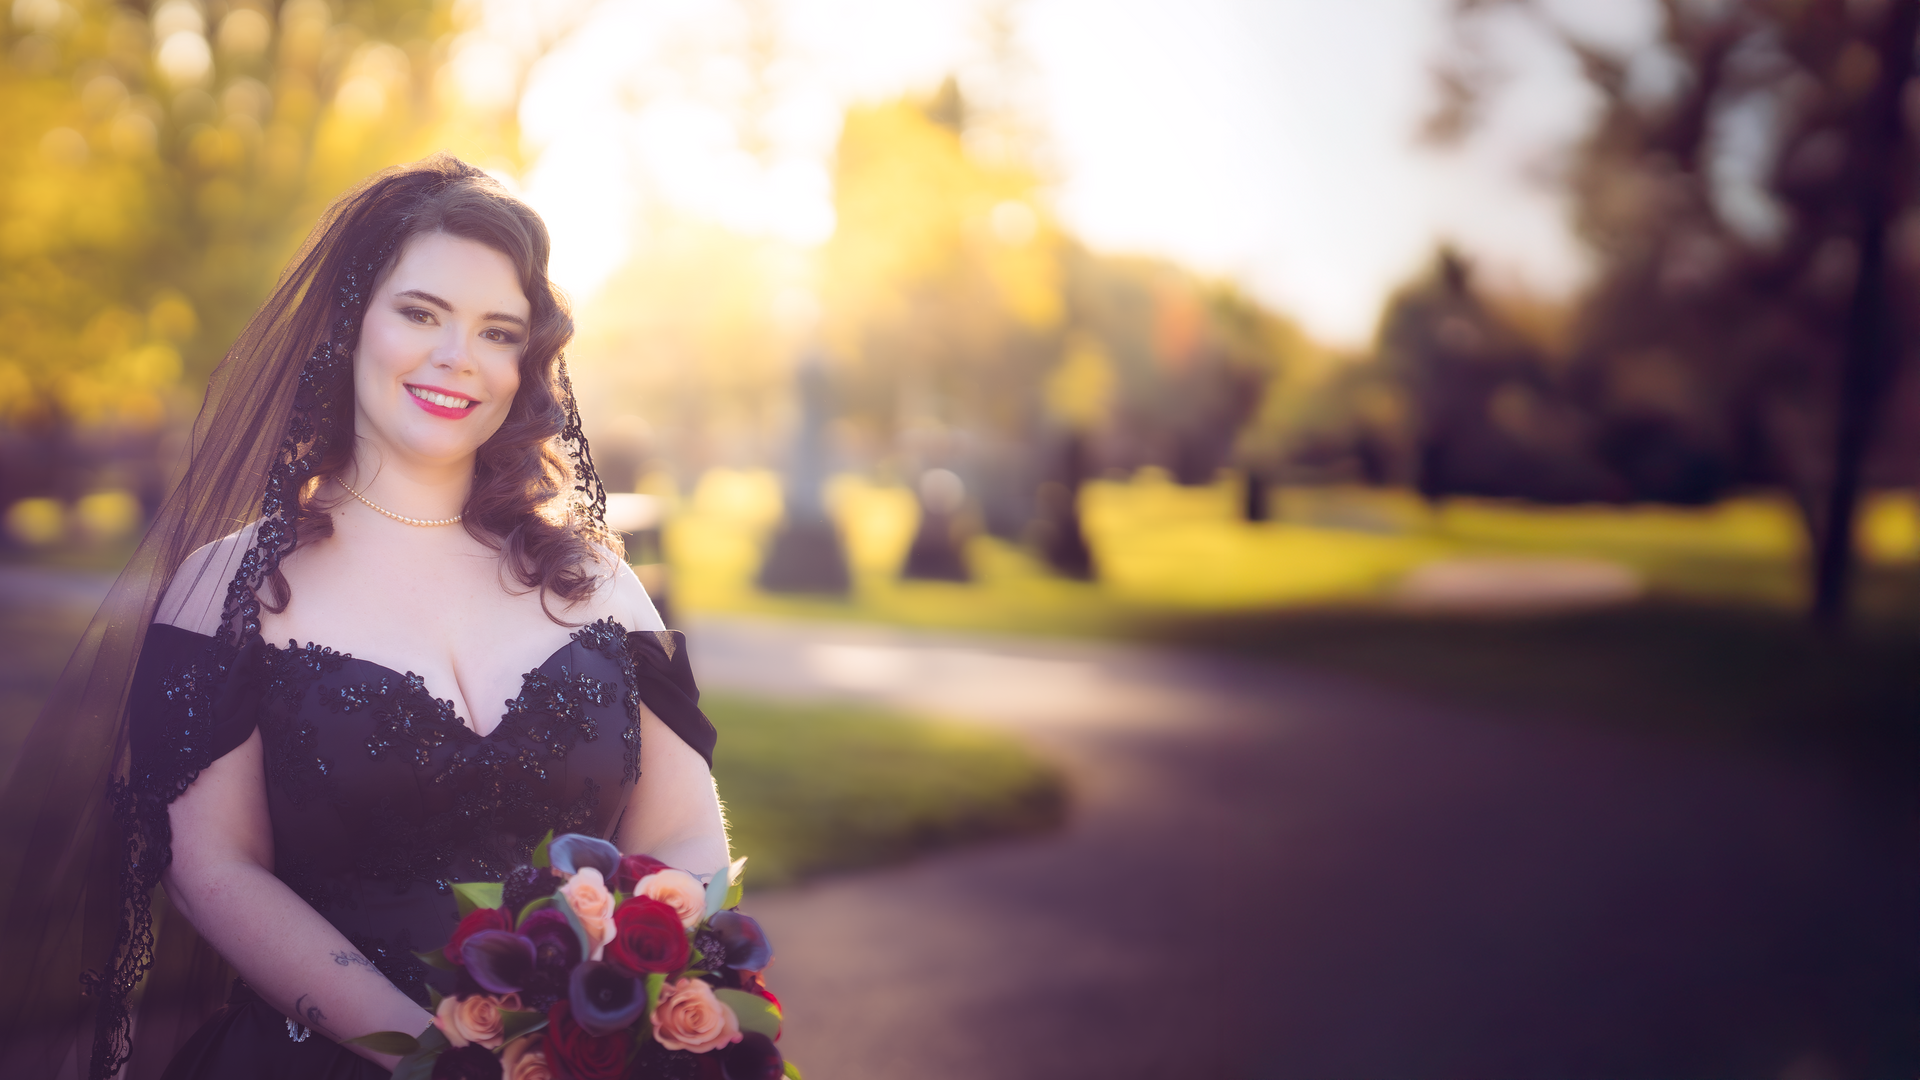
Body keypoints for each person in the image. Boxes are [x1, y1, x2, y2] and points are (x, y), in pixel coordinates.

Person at [0, 154, 728, 1079]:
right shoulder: (226, 591)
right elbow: (215, 869)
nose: (456, 357)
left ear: (526, 364)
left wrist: (607, 1014)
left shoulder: (599, 584)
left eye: (497, 332)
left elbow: (686, 838)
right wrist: (430, 1055)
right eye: (420, 313)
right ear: (349, 327)